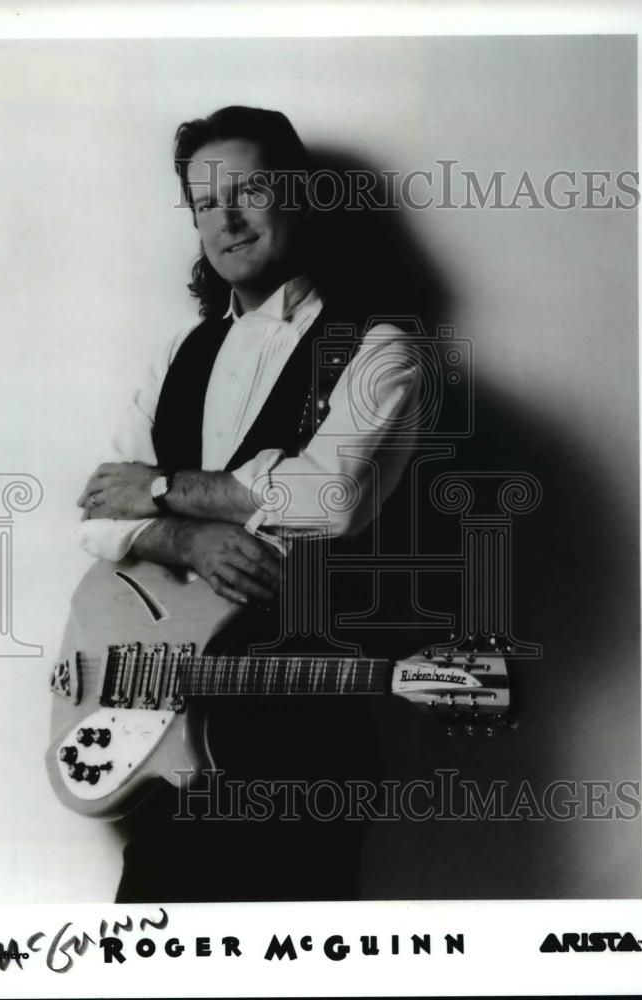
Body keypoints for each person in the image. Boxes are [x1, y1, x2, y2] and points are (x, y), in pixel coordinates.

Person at [75, 106, 423, 902]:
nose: (224, 219)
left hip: (301, 734)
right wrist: (185, 539)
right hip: (159, 721)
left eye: (248, 190)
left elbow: (326, 496)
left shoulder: (380, 346)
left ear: (303, 195)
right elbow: (99, 513)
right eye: (203, 203)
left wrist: (161, 490)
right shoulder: (180, 349)